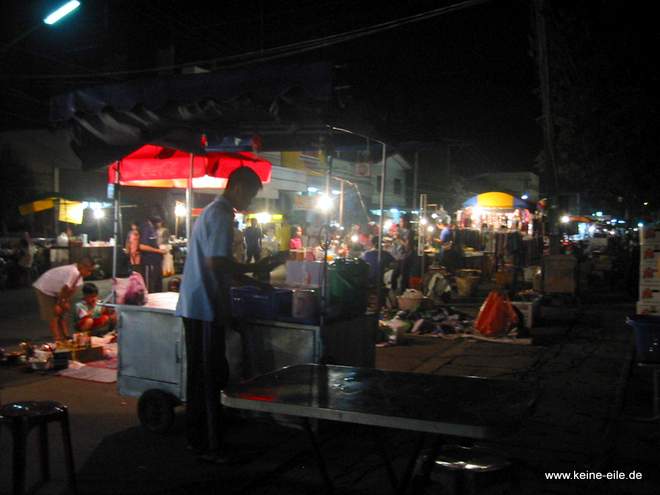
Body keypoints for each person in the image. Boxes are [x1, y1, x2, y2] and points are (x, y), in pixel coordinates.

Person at [175, 167, 283, 464]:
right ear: (237, 187)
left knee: (207, 373)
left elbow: (220, 266)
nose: (250, 200)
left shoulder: (214, 211)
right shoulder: (221, 214)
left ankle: (202, 438)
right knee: (207, 377)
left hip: (201, 306)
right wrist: (255, 269)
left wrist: (253, 281)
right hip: (202, 307)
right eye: (250, 194)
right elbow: (216, 263)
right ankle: (208, 445)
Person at [33, 257, 95, 343]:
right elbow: (65, 289)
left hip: (57, 290)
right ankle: (57, 338)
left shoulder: (79, 276)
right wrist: (59, 303)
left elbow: (71, 290)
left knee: (63, 313)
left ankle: (65, 336)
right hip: (44, 288)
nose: (89, 274)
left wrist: (65, 302)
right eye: (88, 270)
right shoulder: (73, 271)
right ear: (82, 266)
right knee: (54, 314)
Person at [140, 214, 166, 293]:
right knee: (151, 285)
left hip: (156, 261)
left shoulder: (153, 229)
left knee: (158, 285)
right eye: (159, 222)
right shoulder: (146, 229)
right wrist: (158, 251)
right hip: (149, 262)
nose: (160, 224)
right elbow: (142, 246)